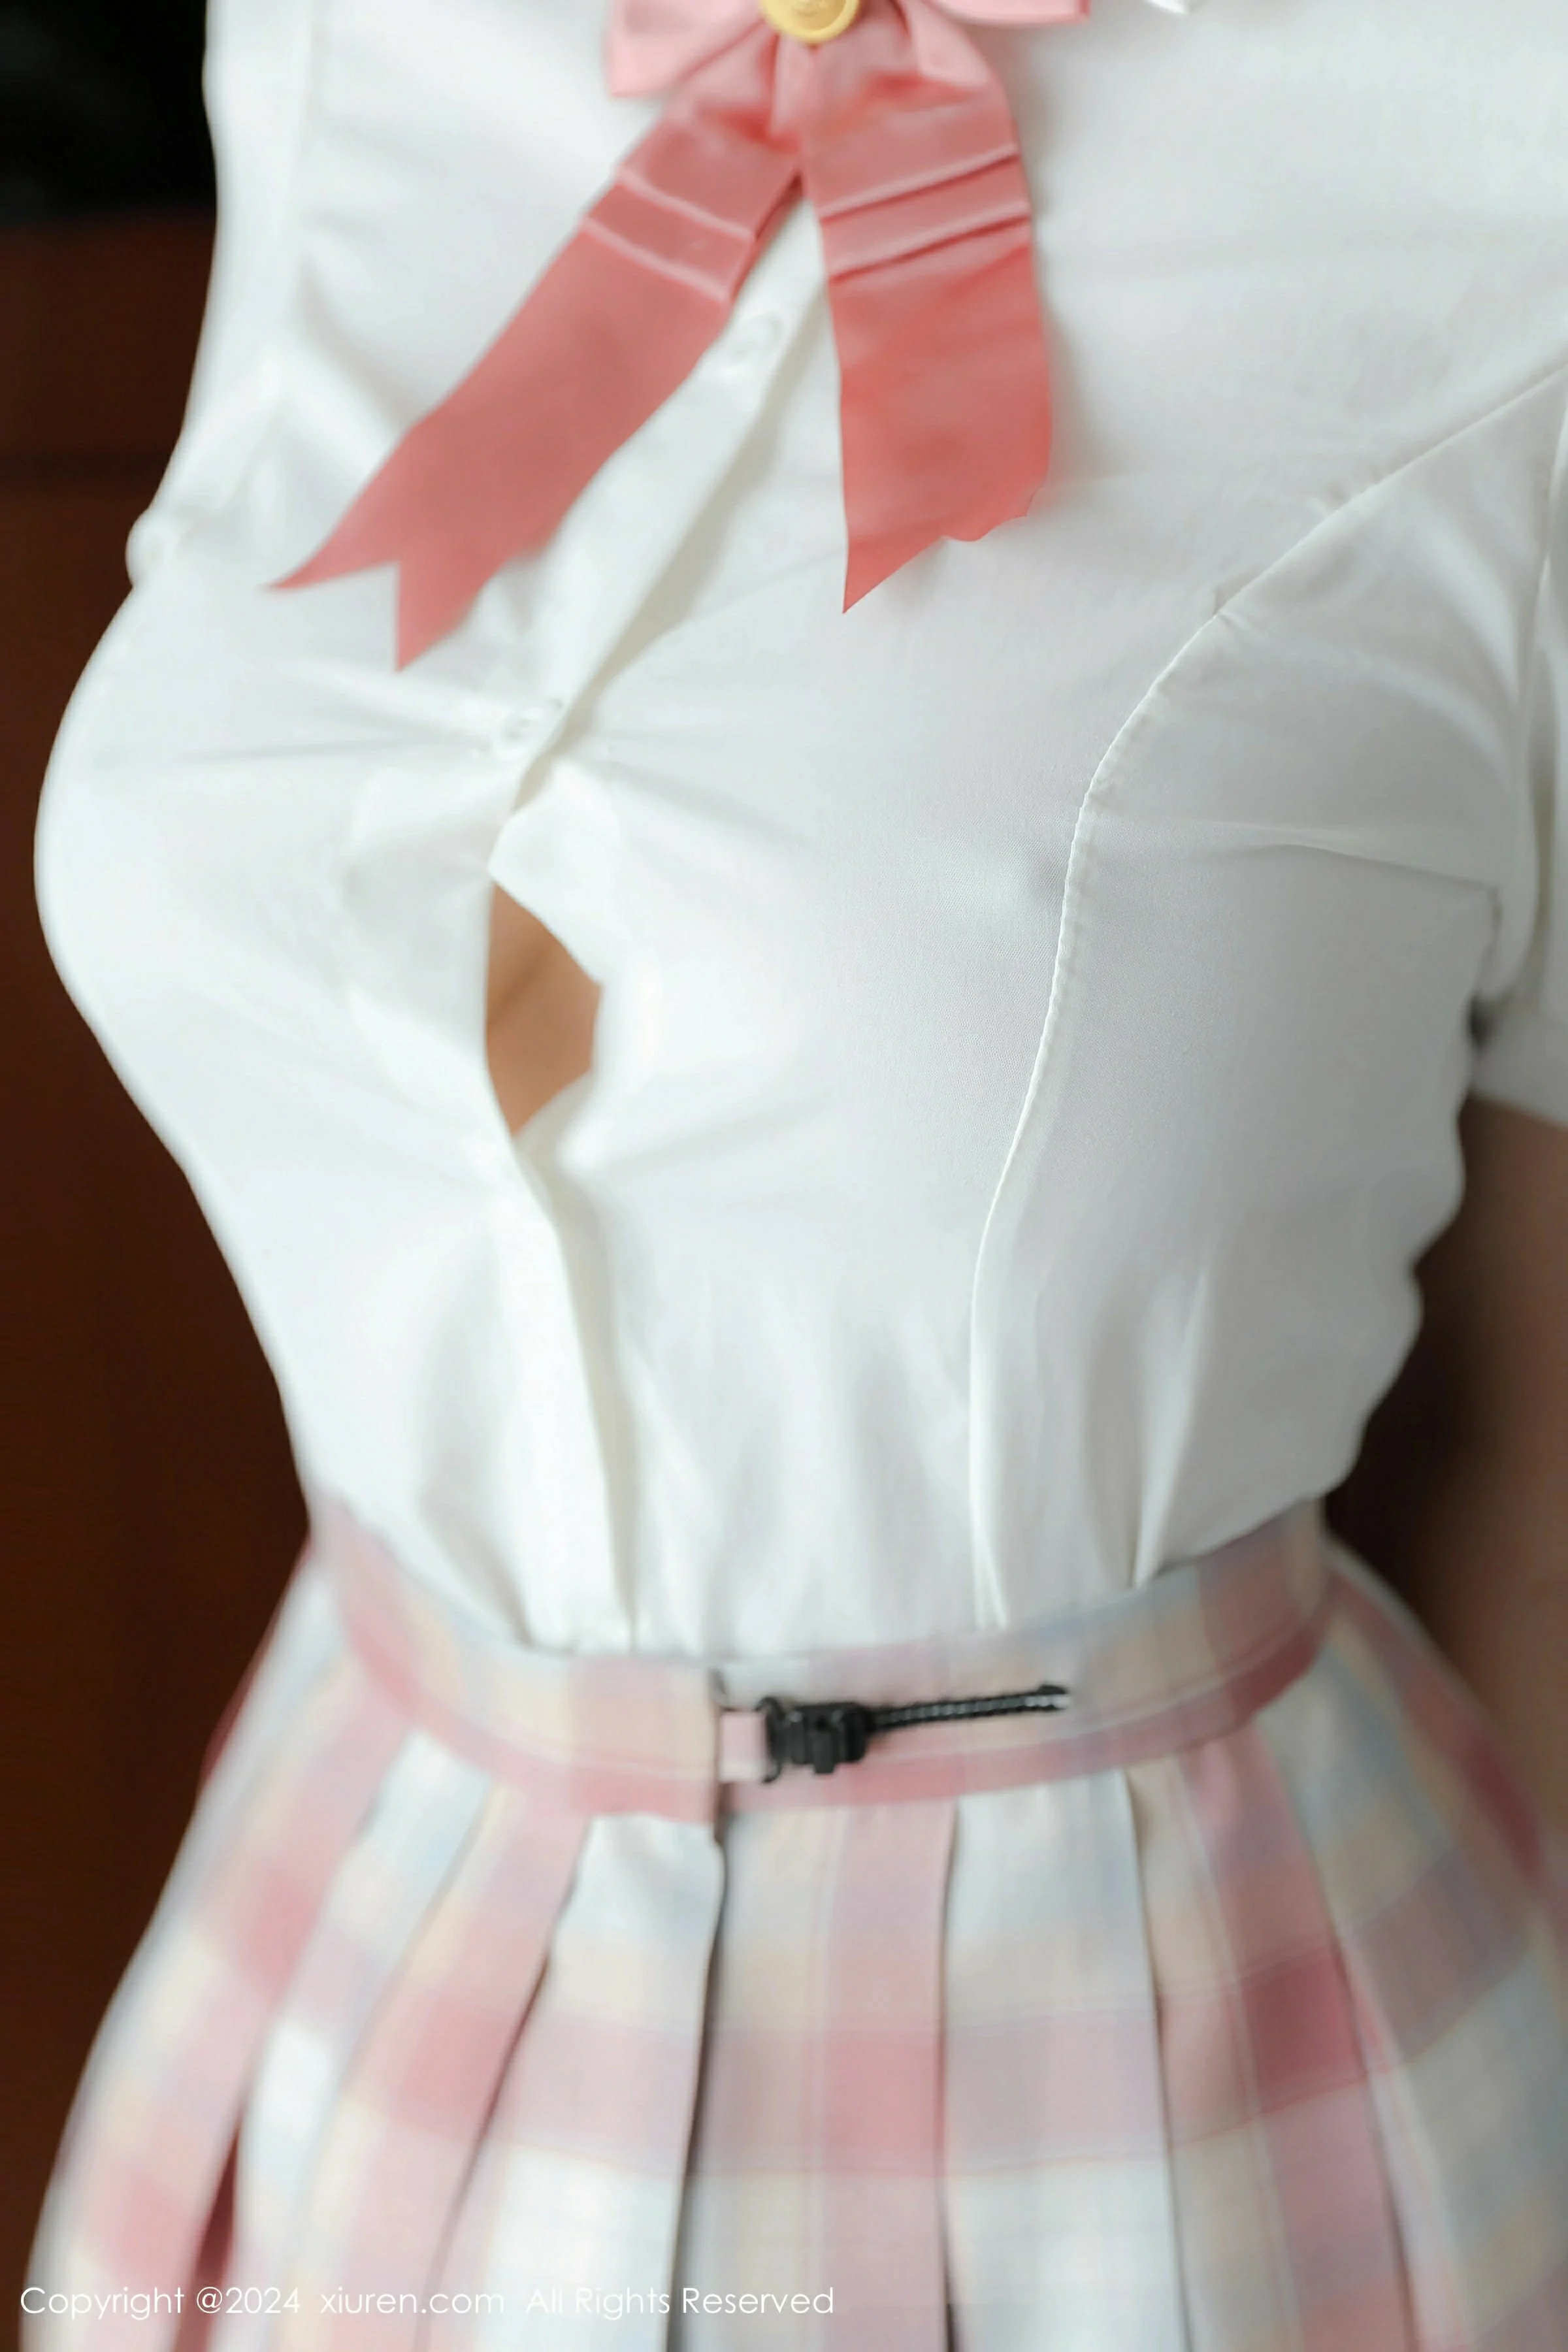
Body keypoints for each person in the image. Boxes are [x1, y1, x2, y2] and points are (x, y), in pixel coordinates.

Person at [25, 0, 1568, 2344]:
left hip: (1163, 2101)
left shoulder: (1500, 147)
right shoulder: (357, 45)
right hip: (354, 1930)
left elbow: (1540, 1456)